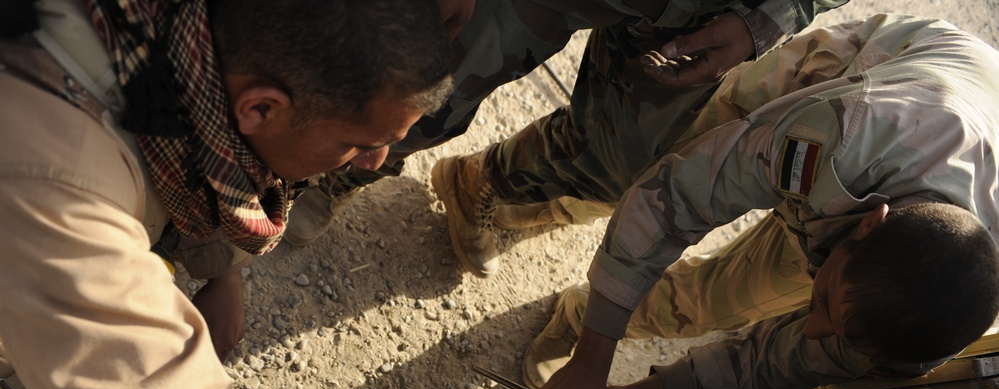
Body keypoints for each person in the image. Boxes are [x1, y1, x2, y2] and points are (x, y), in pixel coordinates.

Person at [0, 0, 603, 389]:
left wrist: (220, 269)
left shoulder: (159, 30)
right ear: (261, 108)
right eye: (361, 143)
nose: (377, 165)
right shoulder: (59, 183)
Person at [513, 14, 999, 389]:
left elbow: (786, 362)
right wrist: (594, 362)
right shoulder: (841, 136)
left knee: (713, 303)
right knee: (646, 162)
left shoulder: (928, 328)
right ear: (870, 224)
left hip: (913, 166)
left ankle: (577, 315)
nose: (813, 325)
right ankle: (514, 200)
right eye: (826, 301)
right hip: (867, 74)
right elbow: (675, 195)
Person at [287, 0, 852, 253]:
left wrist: (771, 17)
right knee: (431, 88)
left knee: (622, 165)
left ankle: (479, 184)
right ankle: (334, 173)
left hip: (696, 15)